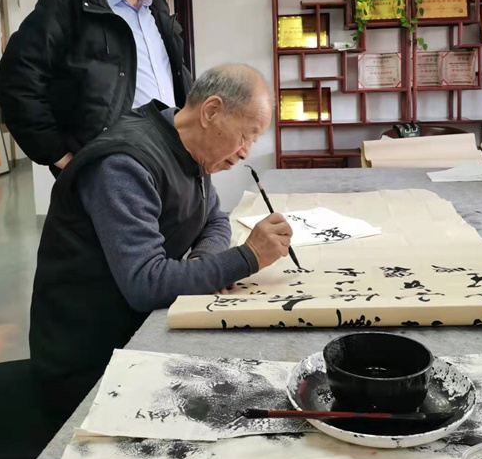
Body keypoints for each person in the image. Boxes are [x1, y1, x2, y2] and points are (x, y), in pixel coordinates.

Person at [29, 64, 292, 420]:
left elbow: (214, 218)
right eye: (247, 135)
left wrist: (204, 264)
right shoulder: (124, 165)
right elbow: (146, 284)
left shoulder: (189, 148)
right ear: (211, 111)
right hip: (90, 359)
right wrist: (248, 258)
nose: (246, 151)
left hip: (135, 328)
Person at [0, 0, 191, 175]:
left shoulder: (156, 6)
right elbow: (16, 81)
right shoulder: (68, 4)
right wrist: (59, 156)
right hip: (108, 171)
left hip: (166, 162)